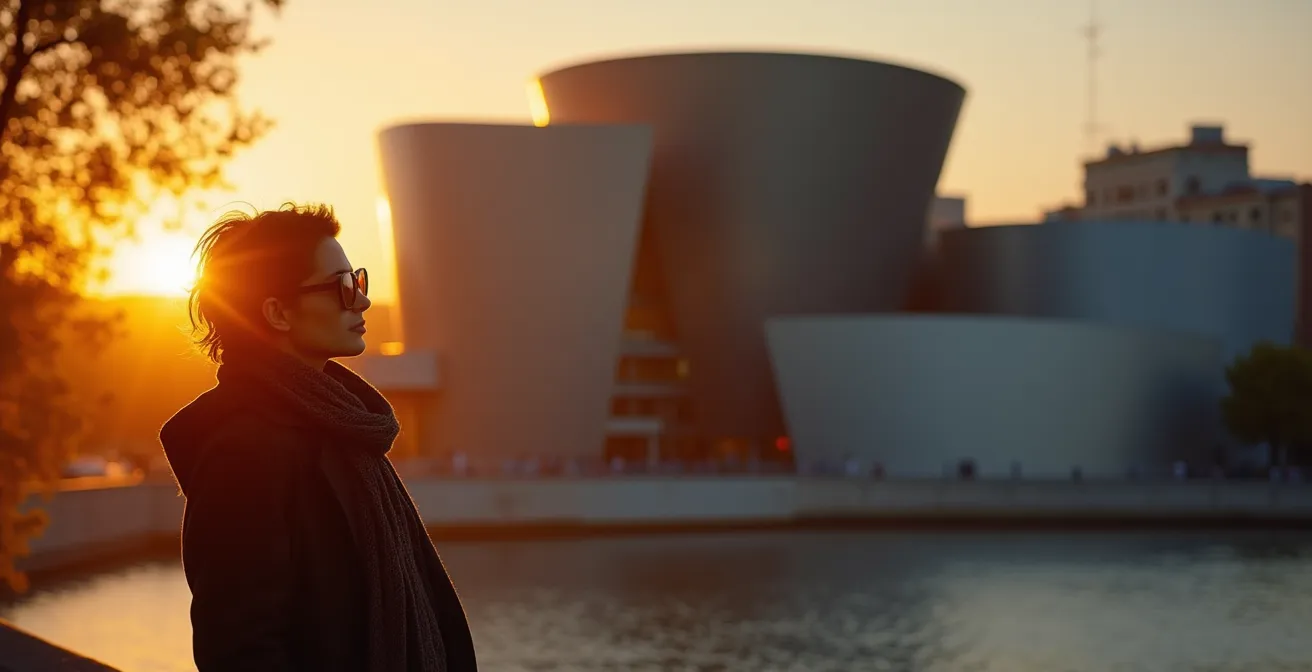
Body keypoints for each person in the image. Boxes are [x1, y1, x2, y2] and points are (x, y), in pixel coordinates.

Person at [159, 204, 477, 671]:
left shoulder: (347, 429)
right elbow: (239, 648)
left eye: (359, 281)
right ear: (278, 313)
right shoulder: (244, 454)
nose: (362, 302)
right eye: (342, 288)